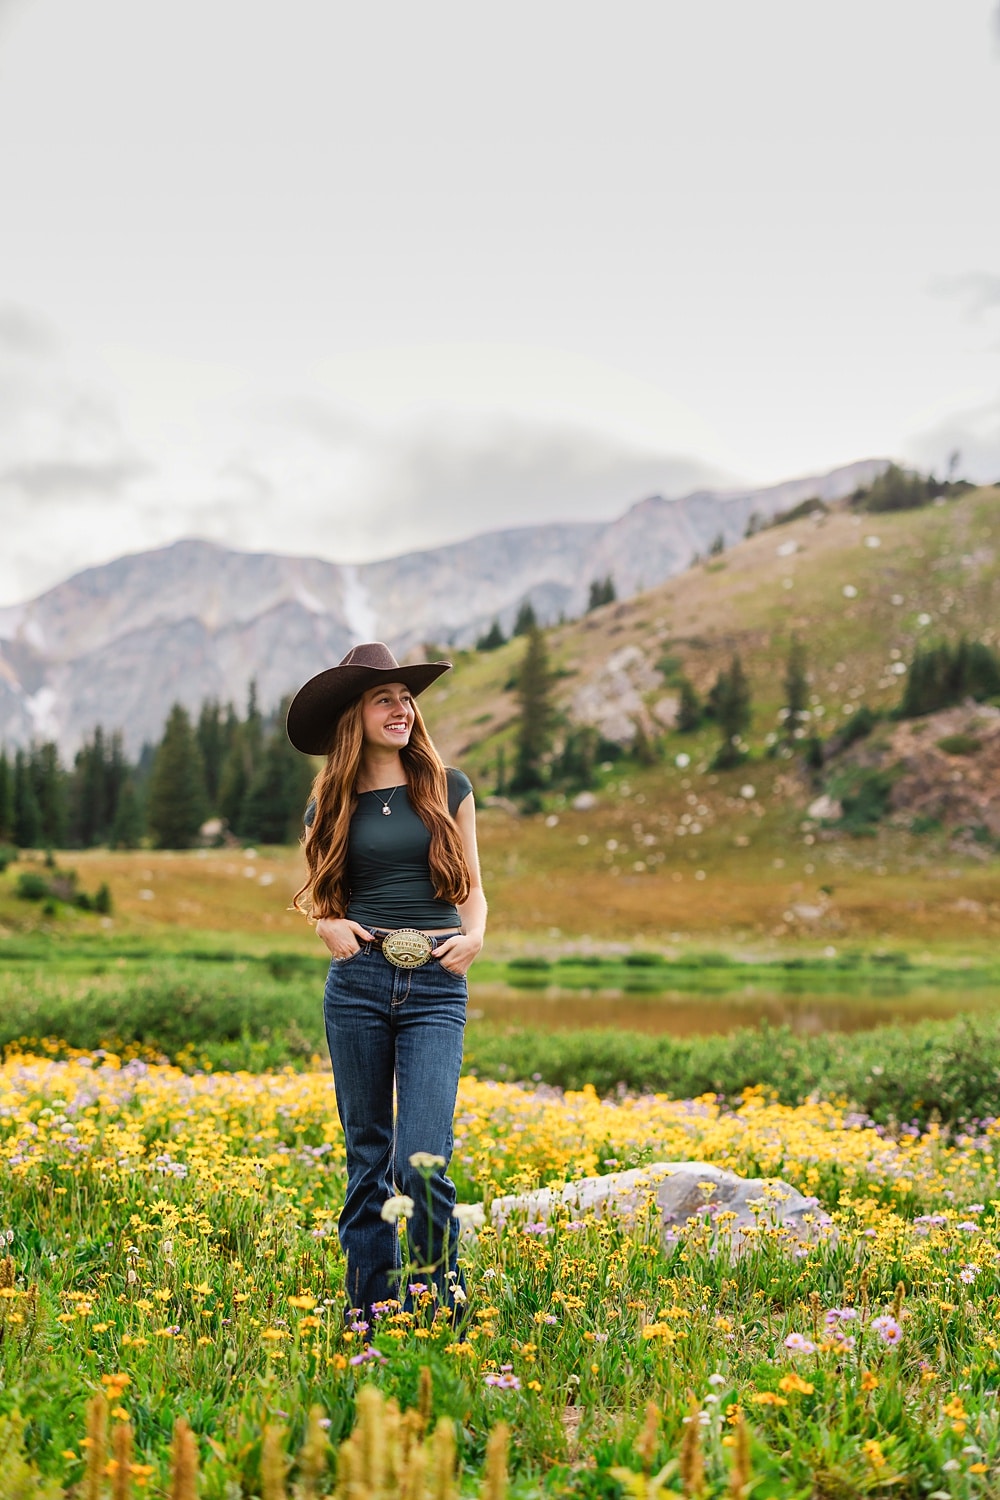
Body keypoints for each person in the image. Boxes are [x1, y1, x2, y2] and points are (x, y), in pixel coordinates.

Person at [286, 642, 486, 1322]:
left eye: (406, 699)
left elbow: (474, 887)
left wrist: (475, 937)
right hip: (359, 982)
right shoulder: (326, 805)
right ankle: (371, 1311)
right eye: (384, 700)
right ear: (356, 716)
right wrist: (327, 927)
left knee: (422, 1158)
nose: (402, 709)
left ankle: (438, 1307)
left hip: (436, 981)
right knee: (368, 1156)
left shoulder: (448, 787)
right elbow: (321, 898)